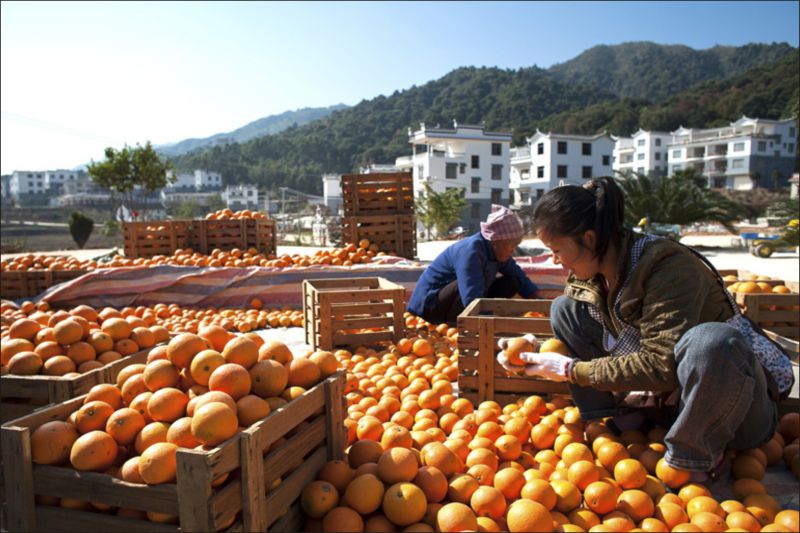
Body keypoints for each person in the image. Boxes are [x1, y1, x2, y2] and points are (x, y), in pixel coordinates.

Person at [497, 177, 793, 482]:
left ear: (589, 238)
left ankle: (693, 454)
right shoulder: (589, 271)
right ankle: (616, 420)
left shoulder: (667, 267)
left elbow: (659, 363)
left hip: (734, 410)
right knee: (565, 309)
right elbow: (577, 335)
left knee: (713, 341)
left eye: (556, 250)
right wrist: (530, 350)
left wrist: (571, 370)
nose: (554, 260)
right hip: (668, 398)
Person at [407, 205, 539, 326]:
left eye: (516, 245)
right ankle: (456, 326)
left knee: (513, 281)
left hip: (462, 299)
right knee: (465, 285)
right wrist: (490, 324)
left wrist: (538, 301)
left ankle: (480, 319)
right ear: (495, 241)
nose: (513, 250)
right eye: (512, 245)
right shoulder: (470, 251)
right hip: (430, 308)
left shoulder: (497, 252)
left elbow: (517, 273)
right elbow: (471, 295)